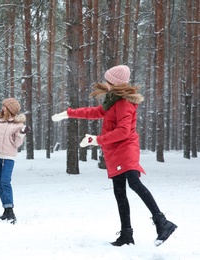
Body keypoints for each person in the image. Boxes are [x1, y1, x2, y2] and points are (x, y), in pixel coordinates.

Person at [52, 65, 177, 246]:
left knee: (134, 183)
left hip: (126, 150)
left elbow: (123, 132)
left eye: (108, 81)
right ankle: (127, 234)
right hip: (115, 152)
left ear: (115, 83)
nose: (106, 83)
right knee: (119, 192)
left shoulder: (124, 103)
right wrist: (69, 113)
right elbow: (95, 112)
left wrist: (98, 139)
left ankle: (162, 222)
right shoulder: (113, 101)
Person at [0, 97, 30, 224]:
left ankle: (10, 210)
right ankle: (6, 209)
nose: (2, 108)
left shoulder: (18, 124)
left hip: (8, 156)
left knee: (5, 181)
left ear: (10, 109)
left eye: (4, 106)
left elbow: (16, 144)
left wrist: (21, 133)